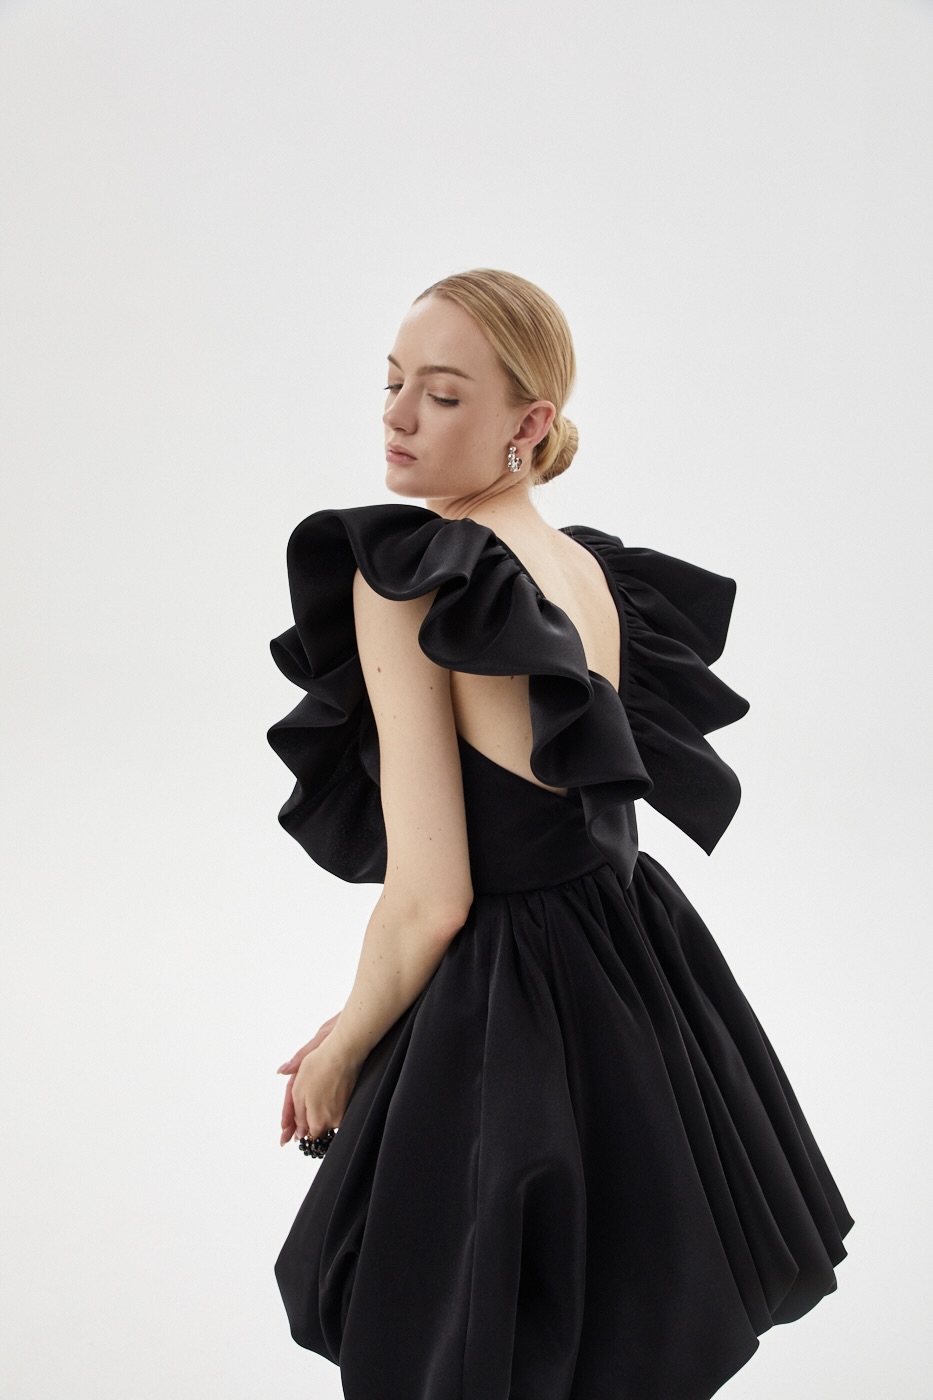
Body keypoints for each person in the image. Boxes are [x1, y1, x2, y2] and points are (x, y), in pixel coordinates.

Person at [267, 268, 853, 1400]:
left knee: (462, 1331)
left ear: (529, 423)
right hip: (629, 965)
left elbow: (432, 896)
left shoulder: (408, 582)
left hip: (505, 993)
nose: (398, 415)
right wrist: (362, 1014)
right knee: (599, 1322)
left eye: (443, 394)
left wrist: (340, 1052)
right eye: (391, 382)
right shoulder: (584, 567)